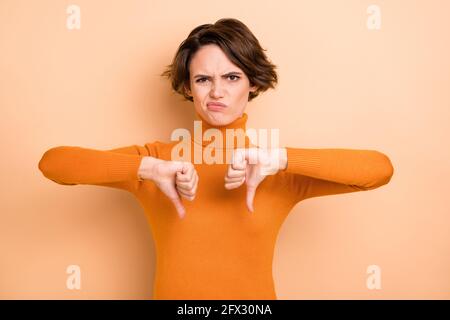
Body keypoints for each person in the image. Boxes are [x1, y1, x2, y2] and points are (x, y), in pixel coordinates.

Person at [38, 18, 394, 300]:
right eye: (203, 79)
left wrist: (280, 160)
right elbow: (54, 164)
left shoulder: (273, 168)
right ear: (188, 87)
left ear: (252, 83)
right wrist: (149, 168)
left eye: (232, 77)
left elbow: (379, 171)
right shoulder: (159, 161)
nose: (217, 92)